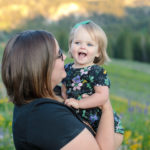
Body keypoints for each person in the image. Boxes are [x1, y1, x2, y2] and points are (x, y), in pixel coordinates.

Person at [1, 30, 116, 150]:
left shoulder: (47, 96)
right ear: (42, 65)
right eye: (59, 54)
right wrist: (106, 106)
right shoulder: (46, 115)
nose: (65, 57)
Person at [62, 20, 124, 146]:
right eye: (77, 42)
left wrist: (79, 103)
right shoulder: (67, 68)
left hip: (105, 125)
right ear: (70, 46)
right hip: (83, 124)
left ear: (98, 52)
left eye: (89, 44)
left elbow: (102, 96)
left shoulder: (96, 71)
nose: (82, 47)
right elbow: (64, 89)